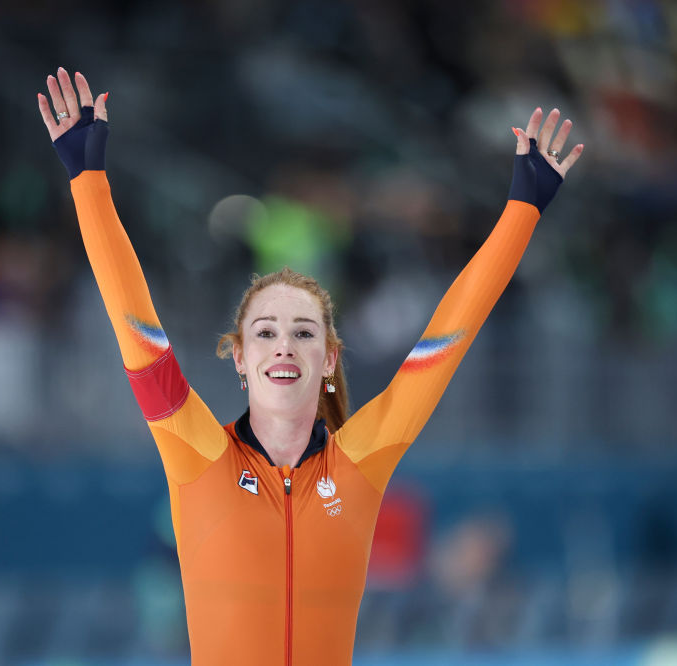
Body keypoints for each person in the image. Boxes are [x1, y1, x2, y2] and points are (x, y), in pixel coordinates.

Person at [37, 67, 582, 665]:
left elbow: (449, 337)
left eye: (303, 332)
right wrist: (87, 180)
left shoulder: (361, 460)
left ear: (329, 359)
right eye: (265, 332)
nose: (284, 347)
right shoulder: (197, 456)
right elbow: (135, 326)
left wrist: (522, 210)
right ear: (240, 358)